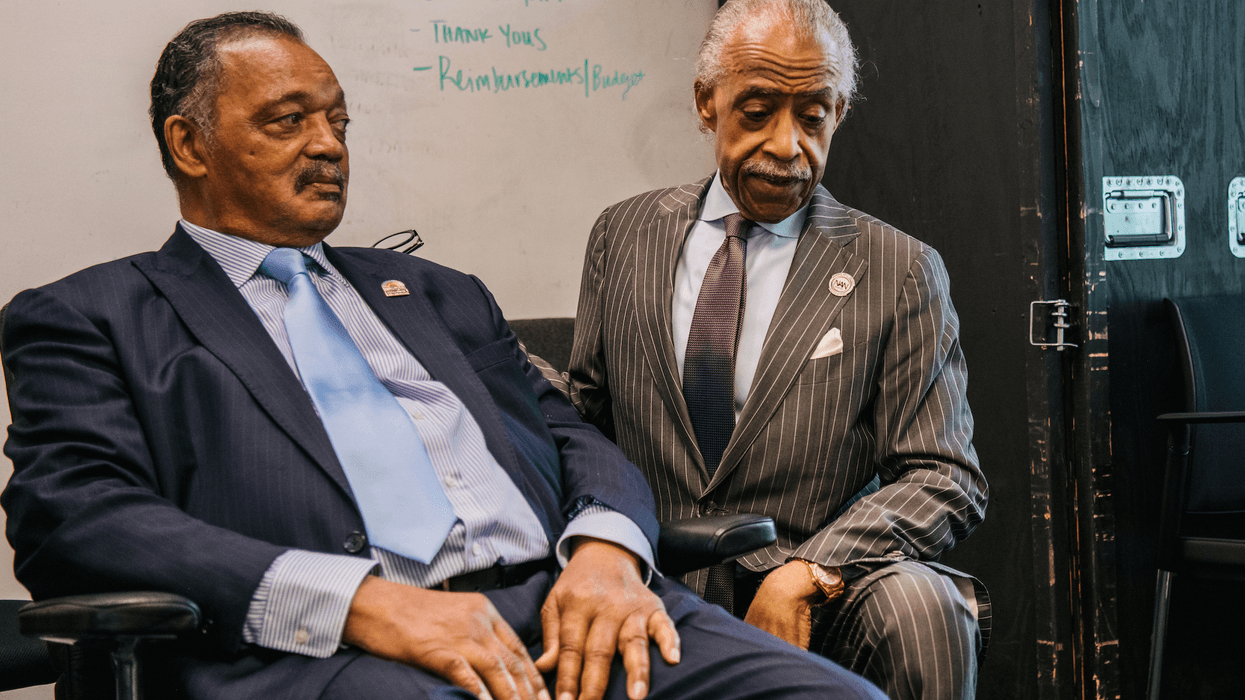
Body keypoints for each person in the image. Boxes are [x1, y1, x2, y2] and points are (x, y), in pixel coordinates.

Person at [0, 12, 886, 700]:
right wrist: (361, 604)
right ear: (187, 144)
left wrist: (608, 554)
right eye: (288, 120)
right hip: (332, 652)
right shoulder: (92, 317)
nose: (328, 144)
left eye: (338, 120)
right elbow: (75, 520)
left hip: (566, 610)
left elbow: (569, 436)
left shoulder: (434, 293)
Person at [549, 1, 989, 699]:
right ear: (706, 102)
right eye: (757, 110)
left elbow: (943, 476)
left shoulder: (897, 269)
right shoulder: (622, 235)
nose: (787, 145)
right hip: (650, 575)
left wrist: (809, 571)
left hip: (816, 592)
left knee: (922, 607)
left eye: (812, 116)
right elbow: (583, 413)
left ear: (837, 113)